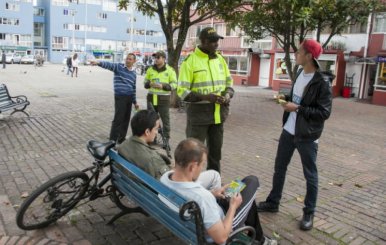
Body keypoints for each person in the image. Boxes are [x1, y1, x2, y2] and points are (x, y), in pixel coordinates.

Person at [256, 39, 334, 231]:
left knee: (310, 175)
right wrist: (286, 100)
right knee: (279, 168)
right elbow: (297, 99)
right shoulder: (300, 73)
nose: (296, 54)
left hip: (307, 136)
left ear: (309, 56)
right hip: (288, 131)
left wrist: (297, 108)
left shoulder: (321, 82)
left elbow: (324, 113)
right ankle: (273, 202)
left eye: (299, 52)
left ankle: (309, 212)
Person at [160, 138, 277, 245]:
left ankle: (260, 239)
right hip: (221, 227)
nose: (202, 169)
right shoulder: (202, 197)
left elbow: (195, 200)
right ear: (192, 167)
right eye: (202, 165)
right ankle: (260, 240)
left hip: (196, 219)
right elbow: (221, 238)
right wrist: (232, 207)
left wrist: (213, 193)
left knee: (244, 194)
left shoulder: (165, 178)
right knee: (252, 182)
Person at [177, 27, 234, 173]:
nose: (216, 44)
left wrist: (227, 95)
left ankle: (214, 185)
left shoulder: (220, 59)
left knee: (215, 155)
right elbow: (182, 91)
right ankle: (188, 186)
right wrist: (205, 97)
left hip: (218, 116)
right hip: (198, 117)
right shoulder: (190, 61)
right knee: (192, 155)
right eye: (212, 41)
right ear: (202, 41)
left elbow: (229, 84)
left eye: (217, 41)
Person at [118, 110, 221, 190]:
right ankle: (215, 208)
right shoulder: (152, 159)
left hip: (140, 191)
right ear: (147, 131)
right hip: (171, 195)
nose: (157, 132)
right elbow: (170, 182)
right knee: (214, 175)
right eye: (156, 129)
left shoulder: (124, 144)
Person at [90, 53, 139, 144]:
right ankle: (112, 141)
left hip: (129, 98)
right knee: (118, 119)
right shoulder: (119, 67)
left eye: (130, 59)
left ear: (134, 61)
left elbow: (133, 88)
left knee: (126, 120)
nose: (127, 60)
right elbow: (109, 65)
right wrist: (98, 63)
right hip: (120, 97)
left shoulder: (133, 73)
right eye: (127, 58)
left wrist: (135, 102)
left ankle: (121, 139)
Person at [144, 51, 177, 145]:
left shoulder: (170, 70)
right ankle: (151, 139)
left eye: (158, 57)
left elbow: (174, 85)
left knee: (165, 121)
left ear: (163, 58)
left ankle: (166, 140)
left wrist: (163, 86)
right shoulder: (150, 69)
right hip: (151, 99)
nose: (156, 59)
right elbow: (145, 83)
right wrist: (149, 84)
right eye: (155, 58)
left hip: (163, 100)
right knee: (151, 121)